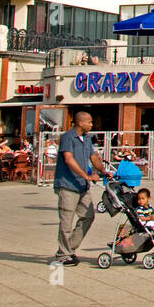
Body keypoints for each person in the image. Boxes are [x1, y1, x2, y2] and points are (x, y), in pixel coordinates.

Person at [51, 111, 105, 267]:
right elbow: (68, 159)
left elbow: (93, 157)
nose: (92, 124)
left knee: (88, 216)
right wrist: (86, 176)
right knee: (66, 222)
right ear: (80, 123)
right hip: (68, 185)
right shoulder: (68, 137)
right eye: (89, 122)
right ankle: (63, 255)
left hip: (82, 186)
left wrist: (102, 170)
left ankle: (69, 248)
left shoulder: (87, 138)